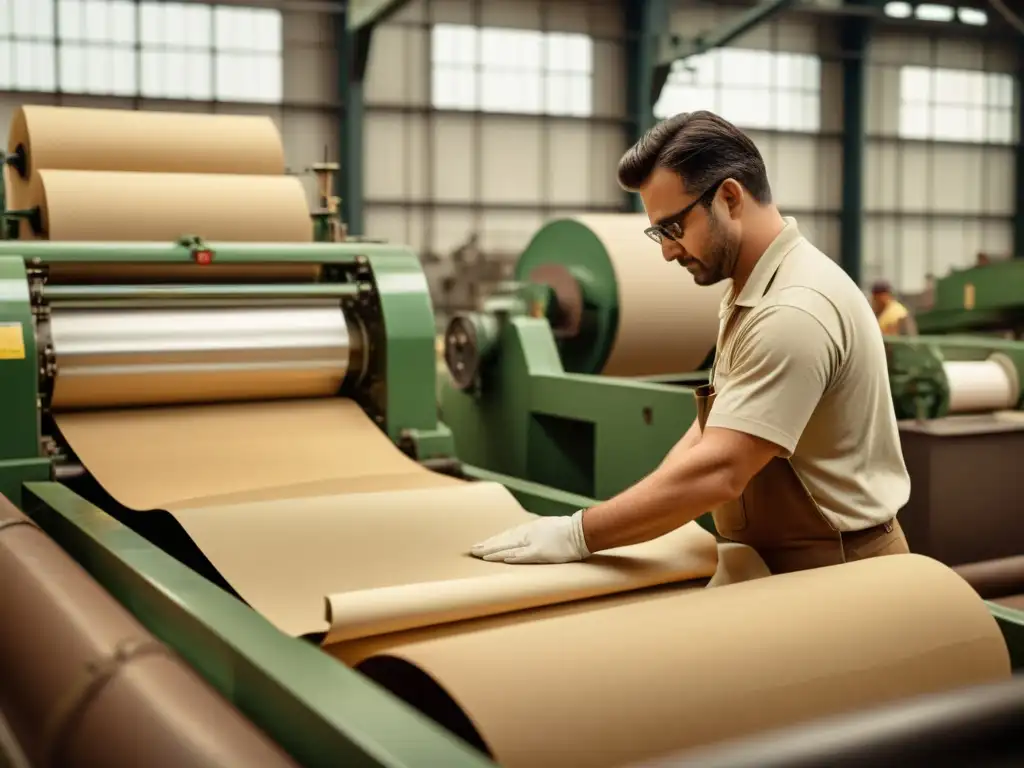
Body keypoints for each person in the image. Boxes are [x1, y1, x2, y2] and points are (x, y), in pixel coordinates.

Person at [470, 111, 911, 574]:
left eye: (673, 228)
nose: (666, 251)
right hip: (779, 559)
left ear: (729, 198)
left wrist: (579, 533)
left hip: (839, 568)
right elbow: (715, 429)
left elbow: (721, 470)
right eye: (657, 232)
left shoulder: (792, 310)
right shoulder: (749, 290)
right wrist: (646, 509)